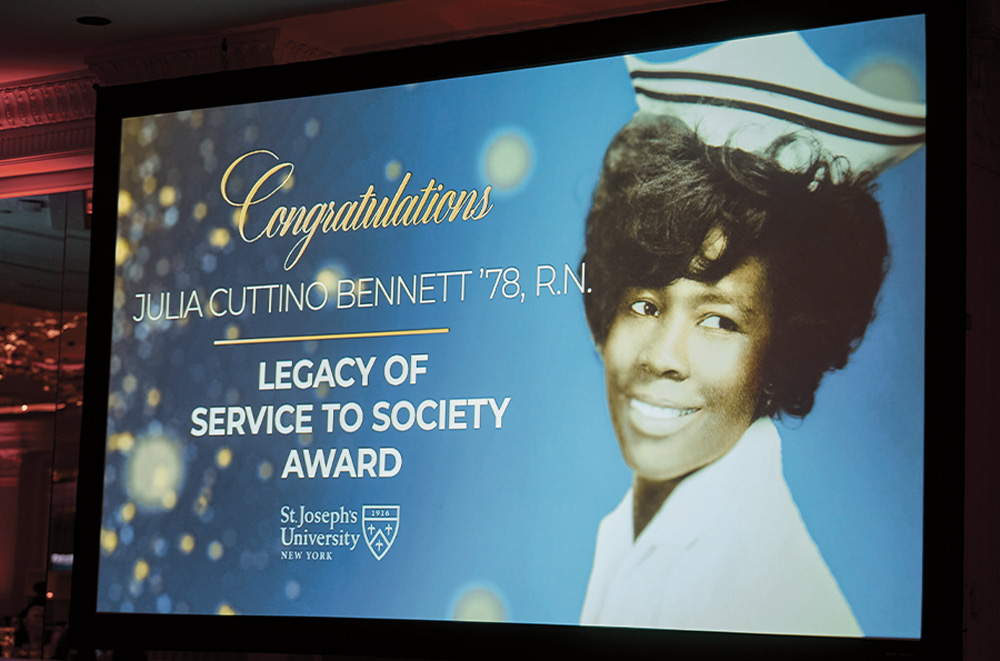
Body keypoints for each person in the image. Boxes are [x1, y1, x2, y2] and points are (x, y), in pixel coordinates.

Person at [577, 110, 893, 636]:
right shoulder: (634, 530)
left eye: (718, 321)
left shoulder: (763, 591)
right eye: (643, 306)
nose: (664, 356)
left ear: (779, 358)